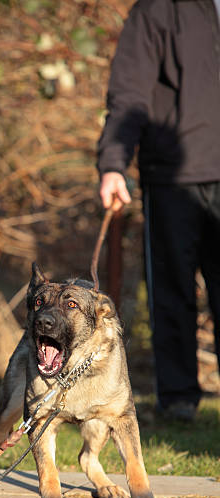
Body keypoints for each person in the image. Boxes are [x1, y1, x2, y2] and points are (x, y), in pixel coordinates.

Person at [97, 0, 220, 421]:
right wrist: (114, 163)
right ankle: (179, 402)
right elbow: (129, 91)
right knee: (171, 293)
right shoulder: (156, 10)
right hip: (171, 176)